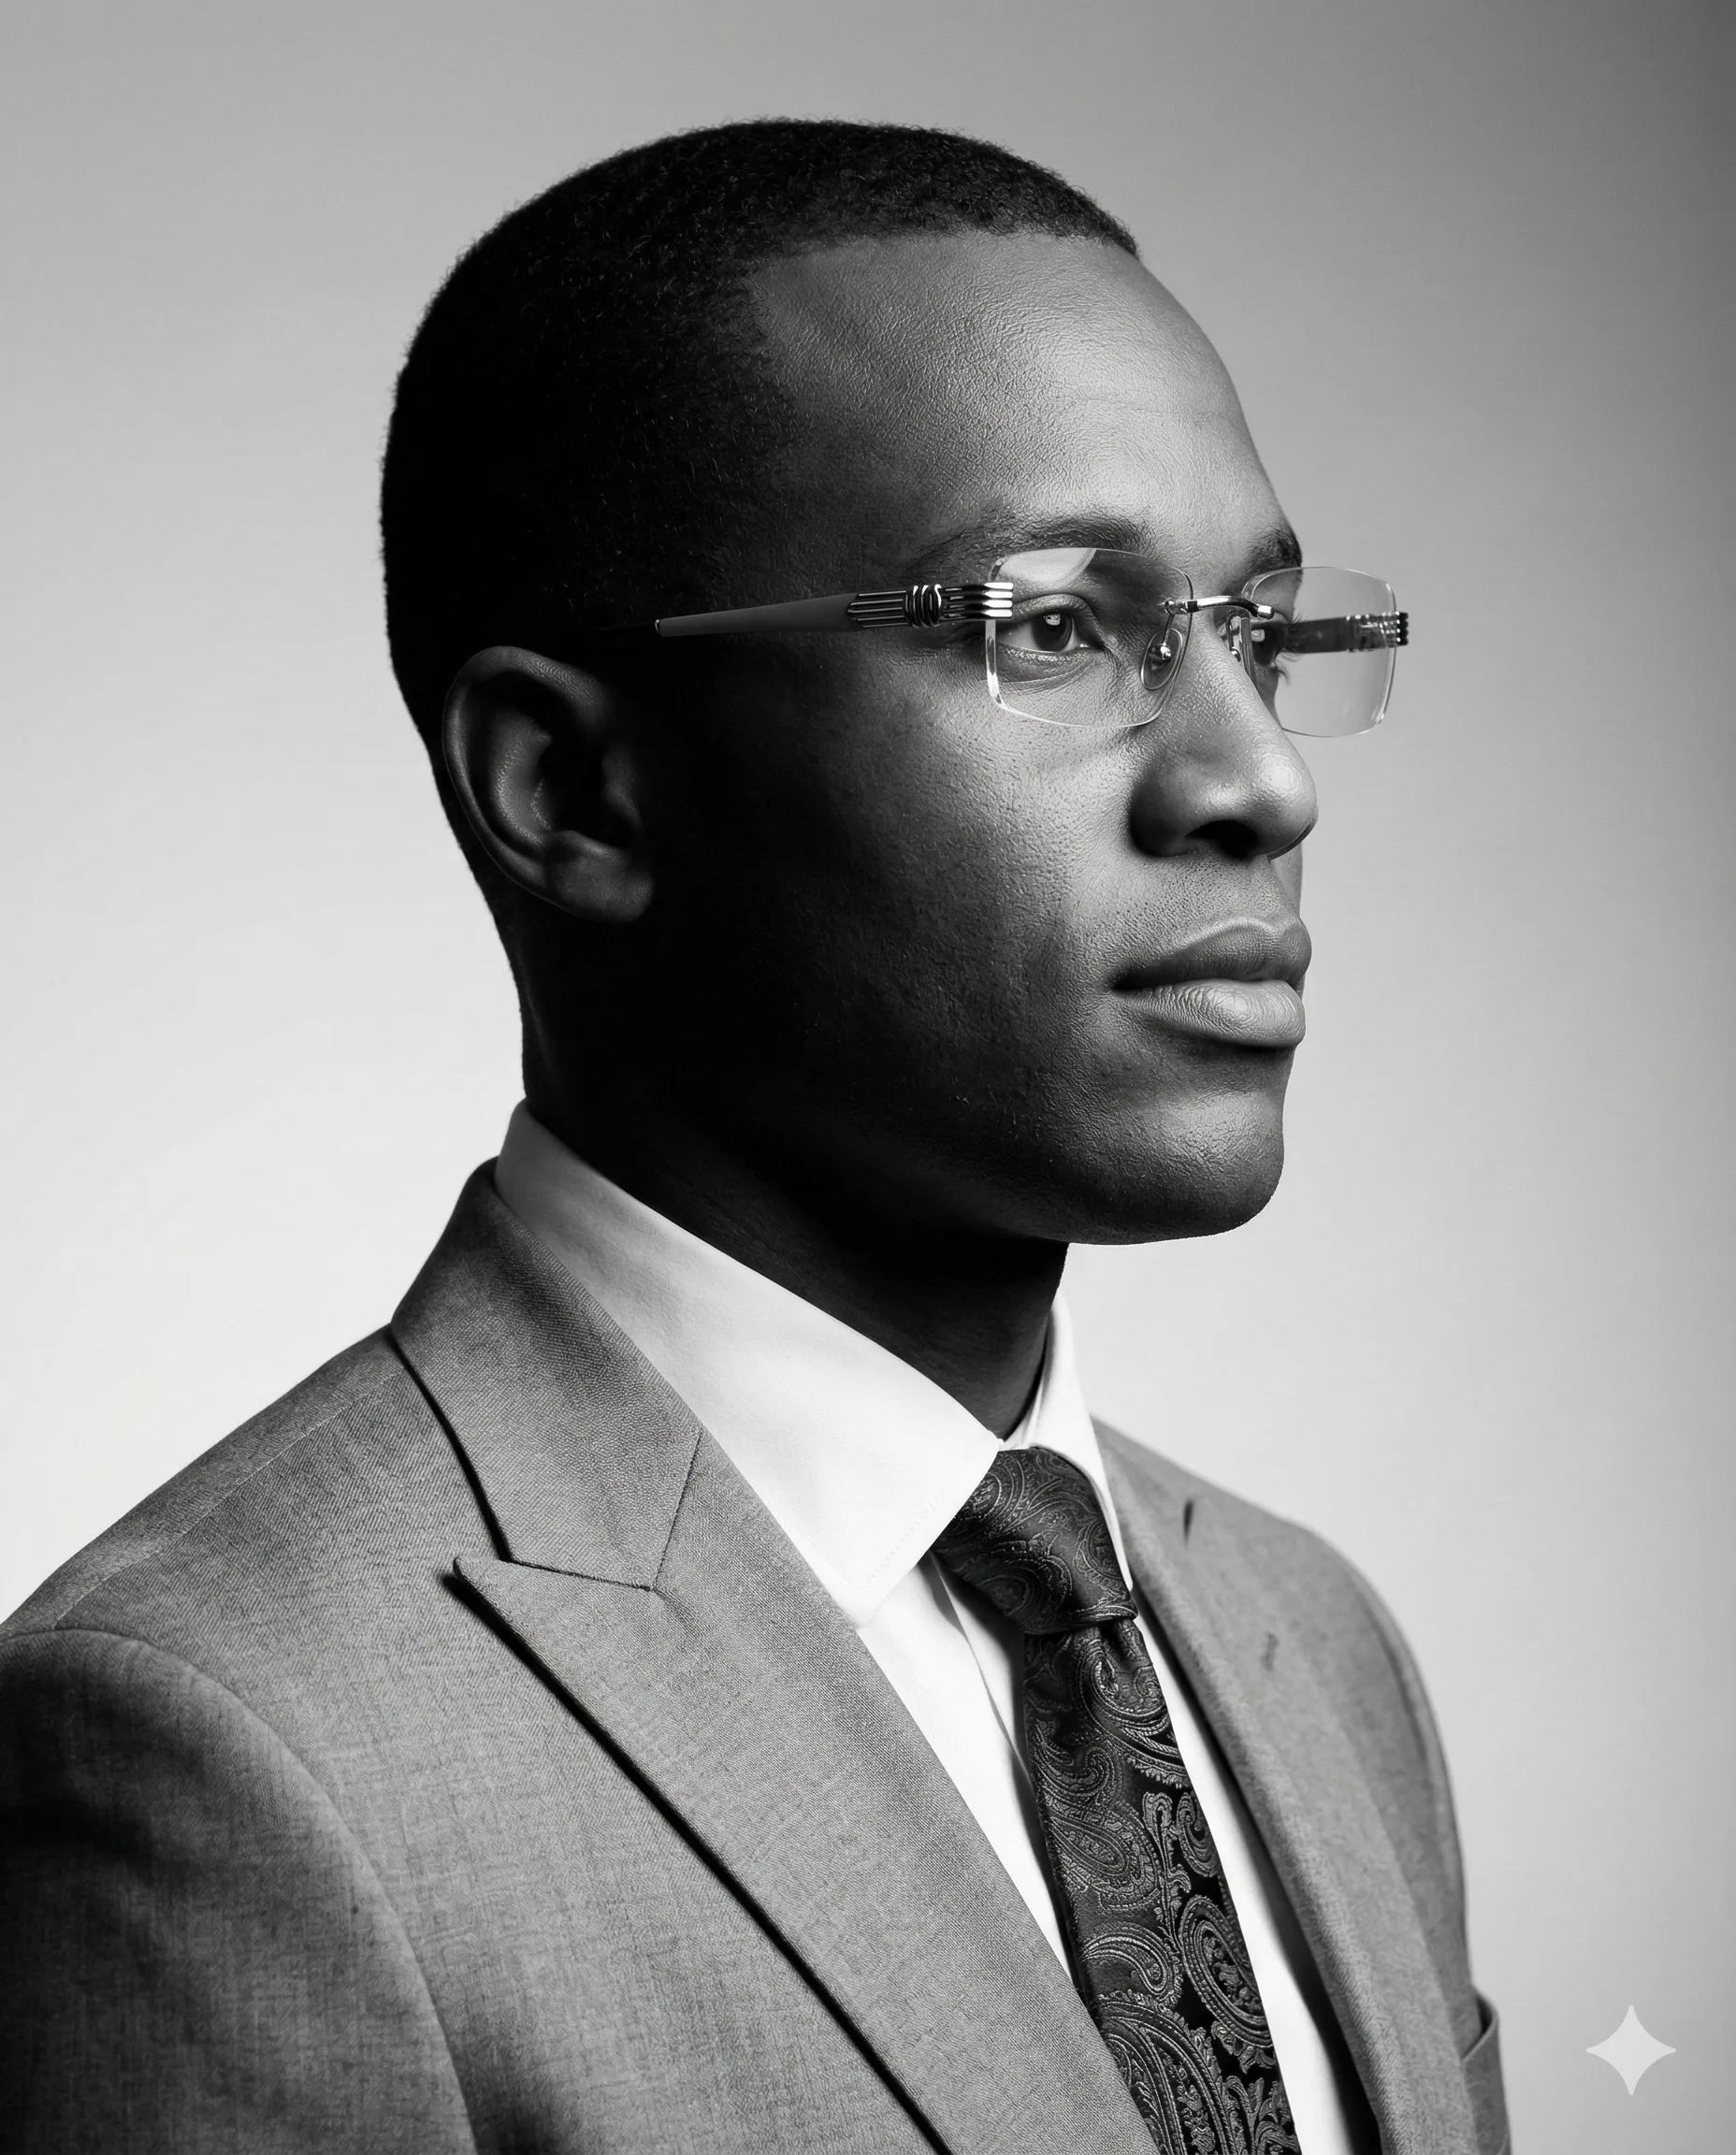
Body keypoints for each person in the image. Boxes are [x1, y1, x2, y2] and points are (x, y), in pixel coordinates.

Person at [0, 121, 1509, 2155]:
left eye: (1257, 625)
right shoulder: (229, 1755)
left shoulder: (1314, 1646)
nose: (1259, 783)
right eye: (1050, 625)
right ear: (574, 791)